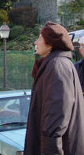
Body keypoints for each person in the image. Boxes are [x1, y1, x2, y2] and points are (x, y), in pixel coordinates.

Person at [24, 22, 84, 154]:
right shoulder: (56, 63)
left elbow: (56, 115)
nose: (36, 42)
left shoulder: (57, 66)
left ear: (50, 44)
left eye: (40, 38)